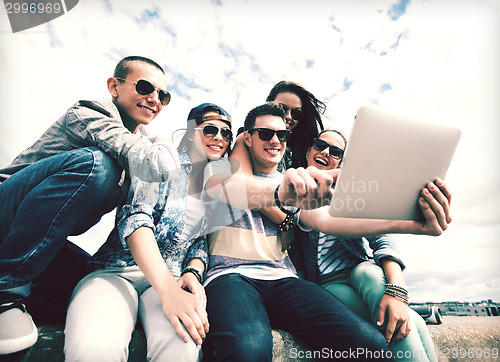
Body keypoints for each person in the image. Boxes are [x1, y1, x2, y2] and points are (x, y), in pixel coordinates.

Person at [0, 56, 180, 355]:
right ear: (114, 86)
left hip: (41, 237)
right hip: (6, 210)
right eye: (146, 87)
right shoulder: (89, 114)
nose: (155, 99)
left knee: (87, 282)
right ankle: (6, 292)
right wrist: (162, 139)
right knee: (99, 165)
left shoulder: (135, 141)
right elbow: (159, 165)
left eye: (164, 95)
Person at [201, 103, 391, 361]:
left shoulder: (290, 178)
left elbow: (325, 220)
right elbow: (236, 190)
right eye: (265, 134)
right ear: (247, 137)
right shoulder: (220, 168)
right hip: (229, 275)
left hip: (283, 278)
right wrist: (281, 198)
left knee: (370, 345)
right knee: (249, 349)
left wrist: (408, 224)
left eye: (282, 135)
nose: (275, 141)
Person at [64, 103, 232, 361]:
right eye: (210, 129)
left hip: (173, 279)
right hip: (117, 272)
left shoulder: (214, 190)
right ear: (190, 132)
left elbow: (199, 242)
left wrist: (192, 272)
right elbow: (135, 222)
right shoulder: (161, 162)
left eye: (226, 132)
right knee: (95, 347)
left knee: (183, 348)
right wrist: (171, 293)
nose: (219, 137)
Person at [293, 129, 437, 361]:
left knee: (372, 278)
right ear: (309, 151)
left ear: (341, 162)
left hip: (359, 267)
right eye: (320, 145)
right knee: (413, 320)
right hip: (328, 282)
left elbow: (382, 238)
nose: (326, 152)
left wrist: (398, 292)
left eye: (336, 152)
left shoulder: (352, 193)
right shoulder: (293, 189)